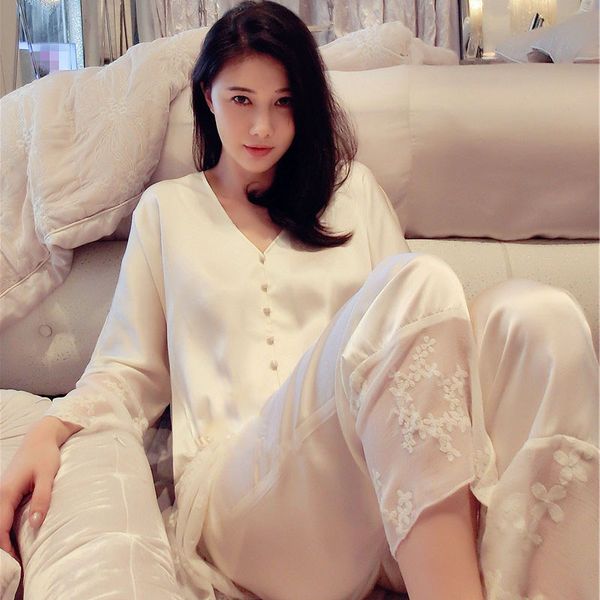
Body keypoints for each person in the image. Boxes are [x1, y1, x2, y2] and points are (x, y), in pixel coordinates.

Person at [0, 2, 597, 599]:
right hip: (238, 505)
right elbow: (126, 368)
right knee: (417, 285)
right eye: (242, 100)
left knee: (541, 319)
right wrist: (51, 429)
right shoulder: (168, 211)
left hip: (371, 495)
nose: (262, 127)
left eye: (283, 103)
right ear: (208, 96)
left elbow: (420, 350)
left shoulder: (353, 192)